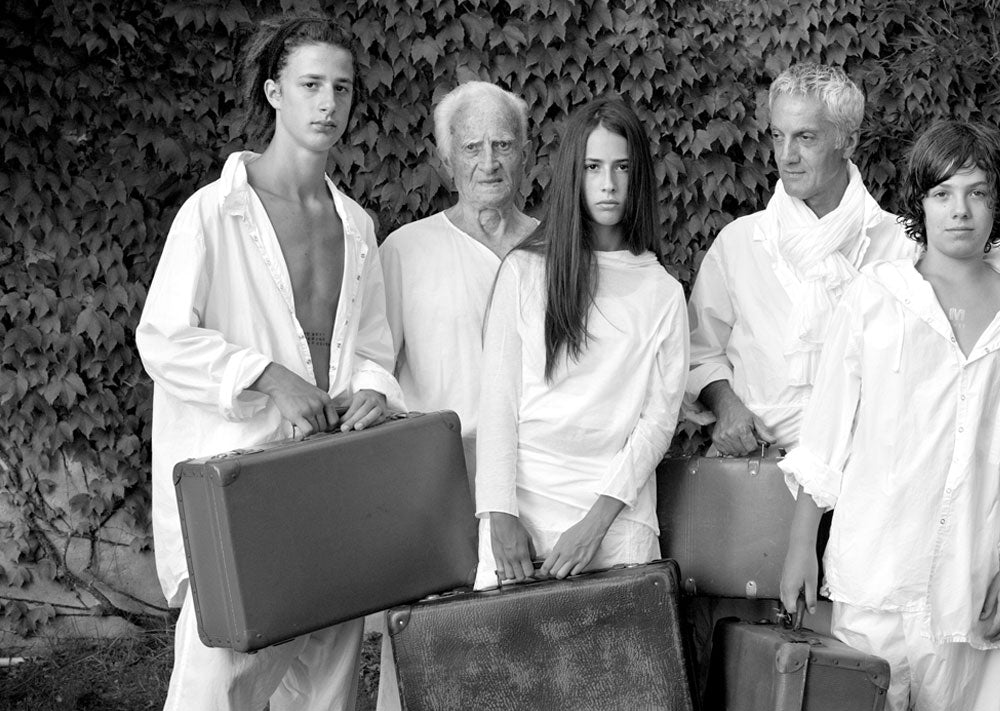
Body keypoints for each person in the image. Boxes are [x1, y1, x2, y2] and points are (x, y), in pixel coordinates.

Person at [135, 13, 402, 710]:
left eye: (341, 88)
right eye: (310, 84)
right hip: (242, 492)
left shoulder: (357, 225)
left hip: (332, 482)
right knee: (214, 692)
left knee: (328, 693)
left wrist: (373, 389)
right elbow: (161, 338)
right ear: (274, 91)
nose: (328, 104)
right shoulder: (212, 213)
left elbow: (374, 344)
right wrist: (267, 375)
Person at [778, 119, 1000, 711]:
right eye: (942, 193)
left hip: (971, 584)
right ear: (920, 203)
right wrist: (801, 543)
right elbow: (826, 436)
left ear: (996, 204)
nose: (960, 210)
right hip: (874, 574)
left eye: (977, 192)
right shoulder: (874, 296)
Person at [687, 62, 1000, 456]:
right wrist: (726, 406)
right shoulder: (739, 243)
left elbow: (986, 254)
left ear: (848, 140)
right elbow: (700, 352)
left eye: (806, 137)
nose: (786, 155)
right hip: (757, 464)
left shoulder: (902, 244)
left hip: (868, 471)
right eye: (778, 135)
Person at [474, 97, 687, 585]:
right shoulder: (525, 271)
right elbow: (498, 403)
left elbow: (657, 424)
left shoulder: (662, 292)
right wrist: (498, 514)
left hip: (618, 527)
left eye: (621, 167)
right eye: (593, 167)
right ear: (574, 172)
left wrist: (595, 525)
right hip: (521, 525)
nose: (608, 184)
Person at [373, 80, 537, 711]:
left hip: (534, 482)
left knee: (522, 653)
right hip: (435, 485)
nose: (488, 162)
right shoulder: (405, 251)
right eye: (472, 147)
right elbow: (372, 373)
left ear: (525, 152)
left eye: (503, 145)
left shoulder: (556, 248)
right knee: (426, 653)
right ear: (445, 159)